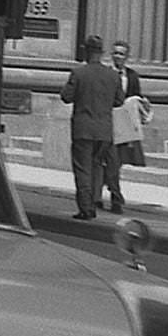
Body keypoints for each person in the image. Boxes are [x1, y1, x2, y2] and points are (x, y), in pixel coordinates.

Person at [60, 34, 120, 220]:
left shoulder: (78, 73)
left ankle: (86, 208)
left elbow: (66, 96)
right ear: (101, 53)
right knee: (97, 168)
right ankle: (93, 201)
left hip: (83, 129)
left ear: (86, 51)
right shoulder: (113, 75)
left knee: (83, 170)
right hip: (104, 130)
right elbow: (119, 100)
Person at [104, 39, 151, 212]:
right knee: (110, 160)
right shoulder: (106, 73)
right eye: (115, 53)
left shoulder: (132, 76)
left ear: (127, 57)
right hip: (108, 121)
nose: (118, 56)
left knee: (116, 161)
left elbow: (136, 97)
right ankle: (114, 195)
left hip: (124, 123)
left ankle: (105, 192)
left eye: (121, 54)